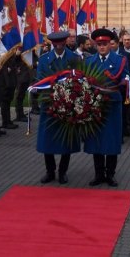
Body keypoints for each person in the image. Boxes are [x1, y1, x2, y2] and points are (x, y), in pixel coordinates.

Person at [84, 28, 129, 187]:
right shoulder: (89, 61)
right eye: (99, 44)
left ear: (110, 45)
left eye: (105, 44)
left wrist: (125, 81)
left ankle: (110, 174)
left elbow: (126, 76)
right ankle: (98, 174)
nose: (102, 47)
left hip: (112, 105)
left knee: (111, 140)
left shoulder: (120, 60)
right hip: (95, 106)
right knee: (96, 139)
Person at [35, 31, 81, 184]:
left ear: (65, 43)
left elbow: (79, 79)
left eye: (61, 45)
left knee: (66, 139)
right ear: (53, 44)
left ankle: (62, 172)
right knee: (47, 140)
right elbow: (40, 79)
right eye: (56, 45)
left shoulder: (74, 58)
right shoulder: (44, 59)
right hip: (49, 105)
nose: (59, 47)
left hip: (68, 104)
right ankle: (50, 171)